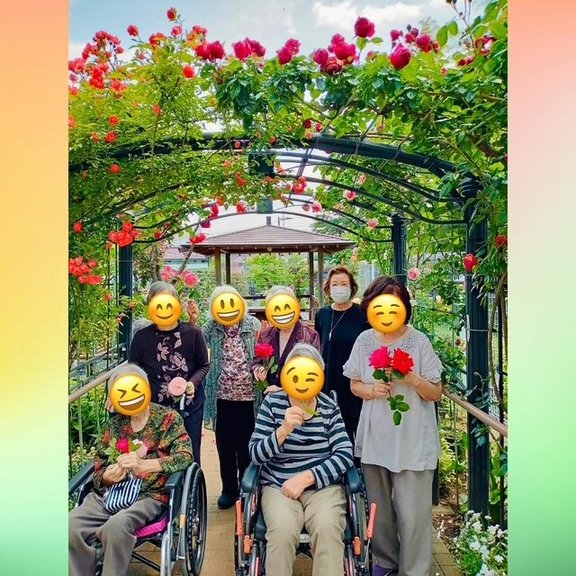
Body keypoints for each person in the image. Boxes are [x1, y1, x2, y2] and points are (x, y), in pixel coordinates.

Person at [342, 276, 443, 576]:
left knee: (414, 514)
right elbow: (354, 384)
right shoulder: (364, 341)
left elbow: (435, 392)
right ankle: (386, 562)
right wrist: (371, 389)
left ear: (404, 307)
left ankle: (415, 570)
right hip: (377, 437)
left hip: (413, 440)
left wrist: (412, 378)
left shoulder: (419, 341)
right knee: (379, 508)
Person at [69, 364, 193, 576]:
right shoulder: (114, 425)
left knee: (115, 528)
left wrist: (145, 465)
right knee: (70, 527)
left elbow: (185, 456)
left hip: (147, 496)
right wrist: (106, 477)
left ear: (145, 388)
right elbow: (98, 468)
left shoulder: (167, 419)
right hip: (109, 496)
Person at [249, 343, 354, 576]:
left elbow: (344, 453)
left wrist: (308, 478)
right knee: (282, 531)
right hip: (278, 485)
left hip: (323, 487)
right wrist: (283, 430)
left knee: (328, 529)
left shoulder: (328, 406)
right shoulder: (272, 404)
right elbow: (255, 454)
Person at [187, 285, 262, 510]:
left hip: (249, 396)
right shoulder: (211, 327)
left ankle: (247, 488)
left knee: (247, 444)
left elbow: (263, 353)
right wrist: (192, 321)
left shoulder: (253, 325)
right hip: (222, 396)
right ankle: (229, 489)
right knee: (225, 445)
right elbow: (194, 343)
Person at [129, 281, 210, 466]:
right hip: (156, 409)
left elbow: (203, 365)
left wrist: (192, 383)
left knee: (189, 455)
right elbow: (133, 370)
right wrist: (116, 391)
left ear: (178, 304)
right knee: (159, 456)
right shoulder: (141, 337)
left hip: (189, 406)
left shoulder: (193, 333)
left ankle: (192, 485)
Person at [314, 265, 370, 444]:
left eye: (344, 283)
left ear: (352, 287)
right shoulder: (322, 314)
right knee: (335, 431)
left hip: (356, 381)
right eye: (335, 284)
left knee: (359, 430)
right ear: (328, 288)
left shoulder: (362, 314)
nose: (339, 288)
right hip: (330, 380)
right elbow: (319, 347)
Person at [252, 285, 321, 394]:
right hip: (269, 397)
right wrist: (258, 369)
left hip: (298, 397)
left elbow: (314, 373)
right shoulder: (265, 335)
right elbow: (256, 362)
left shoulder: (310, 336)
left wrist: (282, 390)